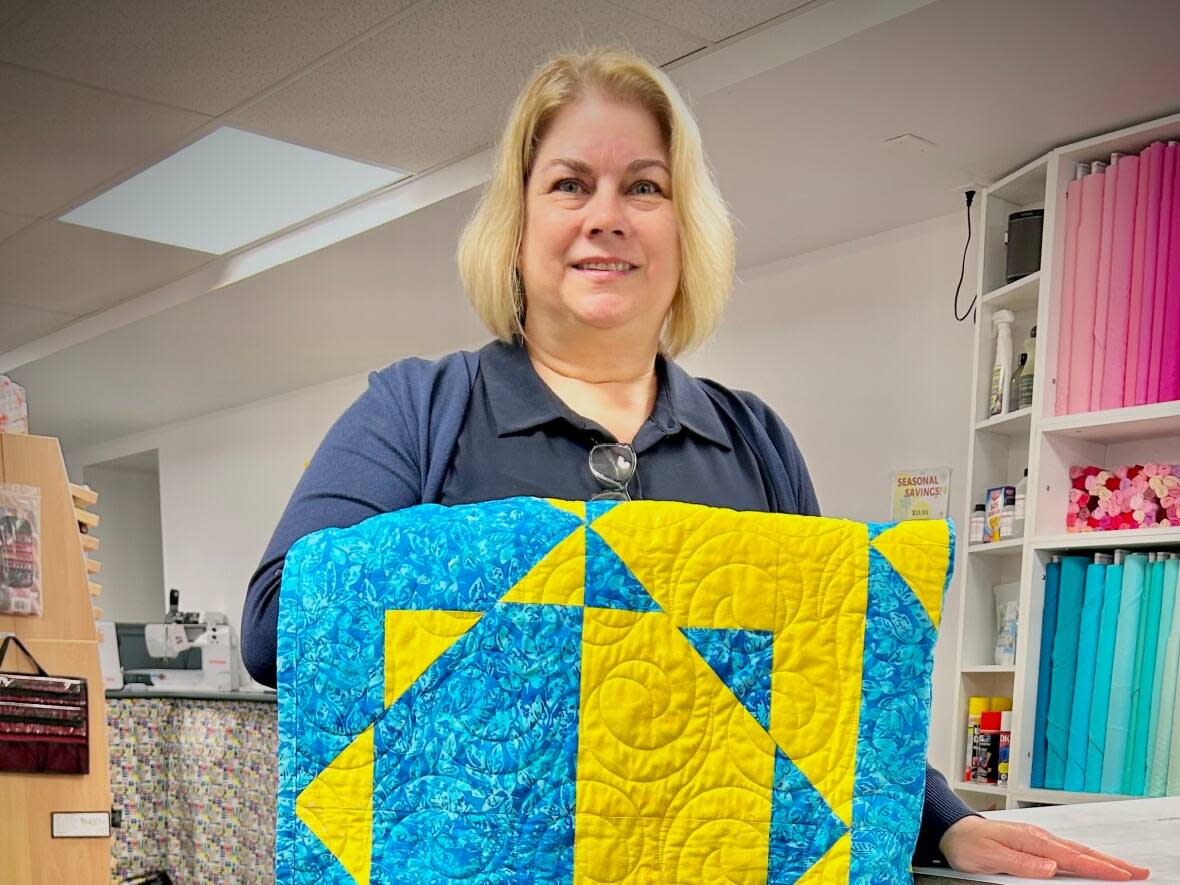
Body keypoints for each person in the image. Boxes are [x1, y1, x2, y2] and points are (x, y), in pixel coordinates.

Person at [243, 47, 1148, 880]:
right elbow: (279, 619)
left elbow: (829, 688)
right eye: (569, 184)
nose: (607, 216)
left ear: (686, 229)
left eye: (644, 186)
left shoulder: (752, 439)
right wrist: (583, 574)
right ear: (517, 224)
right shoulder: (418, 411)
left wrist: (943, 817)